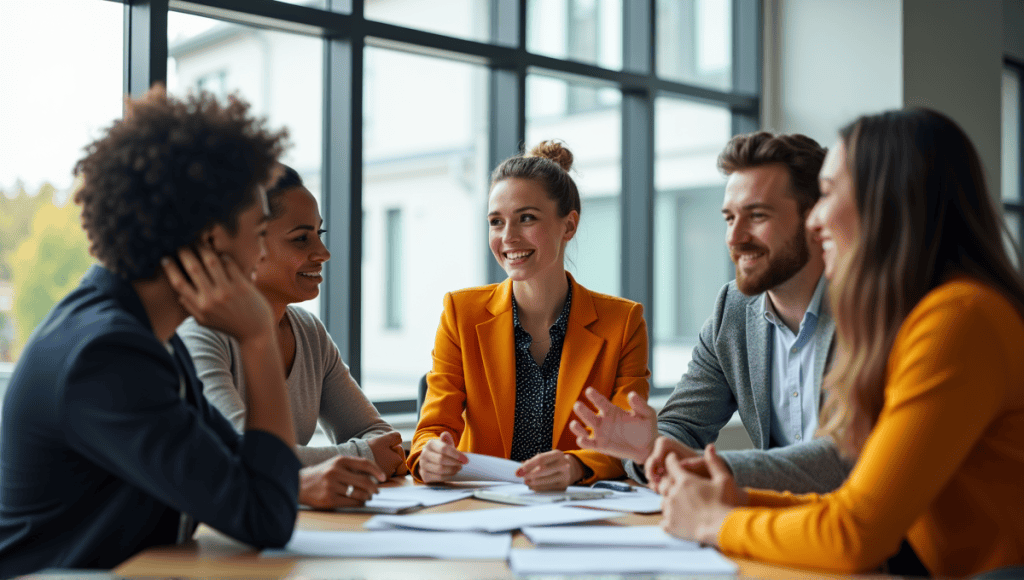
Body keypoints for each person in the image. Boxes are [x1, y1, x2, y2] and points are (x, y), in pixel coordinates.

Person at [0, 87, 378, 576]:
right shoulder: (106, 354)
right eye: (259, 229)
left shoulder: (150, 337)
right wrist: (259, 339)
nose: (261, 251)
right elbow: (267, 515)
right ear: (211, 236)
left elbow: (245, 470)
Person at [657, 108, 1024, 577]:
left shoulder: (957, 319)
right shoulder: (932, 313)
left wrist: (717, 520)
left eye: (828, 194)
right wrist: (739, 499)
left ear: (887, 202)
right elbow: (861, 502)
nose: (816, 221)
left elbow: (854, 533)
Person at [570, 132, 849, 494]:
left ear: (814, 218)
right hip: (773, 531)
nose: (735, 237)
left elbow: (847, 457)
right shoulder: (732, 311)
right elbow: (680, 426)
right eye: (729, 218)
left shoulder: (868, 307)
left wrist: (706, 467)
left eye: (757, 215)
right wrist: (649, 447)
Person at [407, 141, 651, 491]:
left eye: (527, 218)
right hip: (478, 508)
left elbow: (629, 440)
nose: (508, 237)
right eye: (496, 221)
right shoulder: (461, 314)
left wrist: (575, 465)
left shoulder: (623, 323)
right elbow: (430, 431)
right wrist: (428, 456)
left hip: (574, 510)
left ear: (568, 226)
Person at [179, 164, 404, 509]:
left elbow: (383, 441)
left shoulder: (309, 332)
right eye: (301, 238)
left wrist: (361, 455)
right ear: (246, 243)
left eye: (319, 233)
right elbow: (237, 453)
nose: (323, 253)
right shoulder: (199, 334)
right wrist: (362, 456)